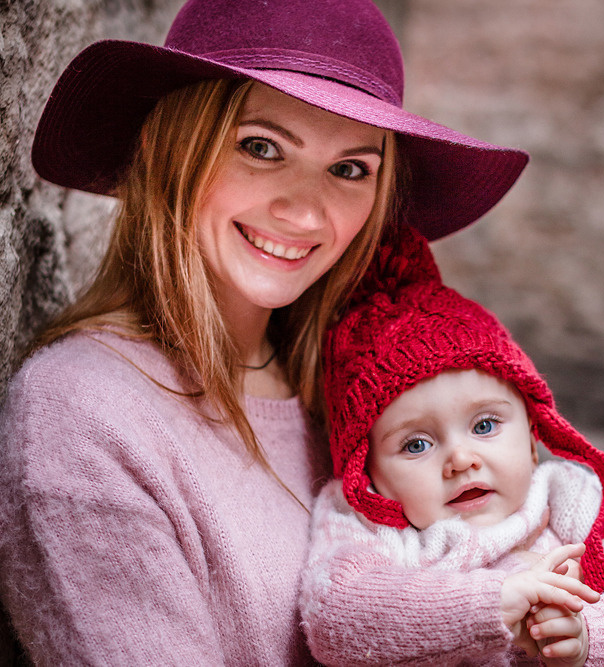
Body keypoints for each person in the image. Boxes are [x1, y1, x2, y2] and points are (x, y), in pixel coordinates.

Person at [0, 0, 528, 663]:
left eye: (350, 168)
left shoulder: (353, 392)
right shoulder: (86, 412)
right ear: (173, 150)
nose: (305, 209)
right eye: (261, 147)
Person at [300, 226, 604, 666]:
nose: (461, 459)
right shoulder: (367, 525)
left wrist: (588, 637)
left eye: (484, 425)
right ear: (367, 474)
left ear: (534, 438)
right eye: (417, 444)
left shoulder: (565, 498)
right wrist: (491, 604)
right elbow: (335, 621)